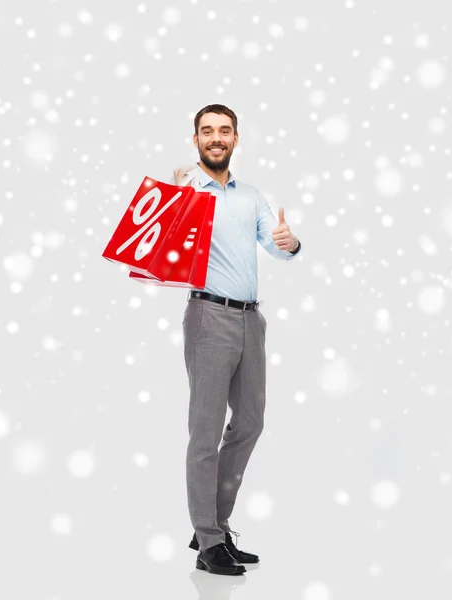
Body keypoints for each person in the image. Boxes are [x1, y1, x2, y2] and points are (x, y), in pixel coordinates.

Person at [172, 104, 301, 576]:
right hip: (208, 316)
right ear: (196, 140)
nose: (216, 138)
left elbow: (277, 244)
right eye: (207, 131)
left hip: (251, 320)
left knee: (249, 422)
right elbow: (158, 228)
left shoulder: (251, 197)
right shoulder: (188, 191)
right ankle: (208, 542)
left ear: (236, 138)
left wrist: (289, 243)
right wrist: (178, 187)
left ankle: (215, 525)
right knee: (204, 433)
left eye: (224, 131)